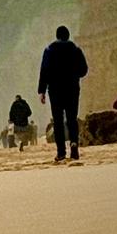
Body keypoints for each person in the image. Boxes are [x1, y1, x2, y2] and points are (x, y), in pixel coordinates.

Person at [38, 25, 88, 162]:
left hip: (55, 90)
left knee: (58, 121)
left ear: (57, 36)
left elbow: (44, 71)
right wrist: (74, 75)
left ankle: (61, 152)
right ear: (67, 35)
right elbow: (84, 70)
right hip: (72, 88)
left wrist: (41, 91)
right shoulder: (76, 50)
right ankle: (74, 147)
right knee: (72, 118)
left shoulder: (49, 50)